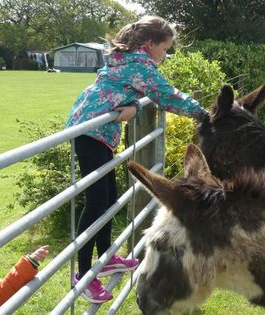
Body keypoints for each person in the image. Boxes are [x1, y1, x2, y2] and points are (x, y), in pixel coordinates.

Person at [65, 15, 208, 303]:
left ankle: (105, 259)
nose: (166, 55)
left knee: (108, 199)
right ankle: (82, 275)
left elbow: (121, 91)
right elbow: (166, 94)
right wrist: (202, 113)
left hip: (98, 132)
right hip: (91, 131)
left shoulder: (124, 59)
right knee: (96, 203)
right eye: (165, 48)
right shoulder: (139, 64)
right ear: (149, 44)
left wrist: (132, 106)